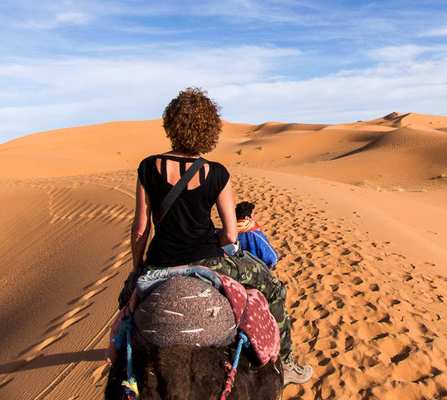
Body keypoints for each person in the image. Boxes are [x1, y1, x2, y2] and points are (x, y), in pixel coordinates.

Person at [125, 87, 312, 385]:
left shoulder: (149, 167)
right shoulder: (217, 173)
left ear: (171, 124)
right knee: (275, 288)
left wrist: (137, 268)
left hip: (159, 262)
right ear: (209, 130)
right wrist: (230, 247)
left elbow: (139, 229)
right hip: (209, 261)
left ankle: (123, 364)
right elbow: (228, 233)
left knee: (126, 305)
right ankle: (286, 363)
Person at [235, 201, 279, 269]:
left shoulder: (228, 232)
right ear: (247, 218)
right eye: (253, 215)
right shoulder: (255, 235)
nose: (255, 218)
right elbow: (272, 258)